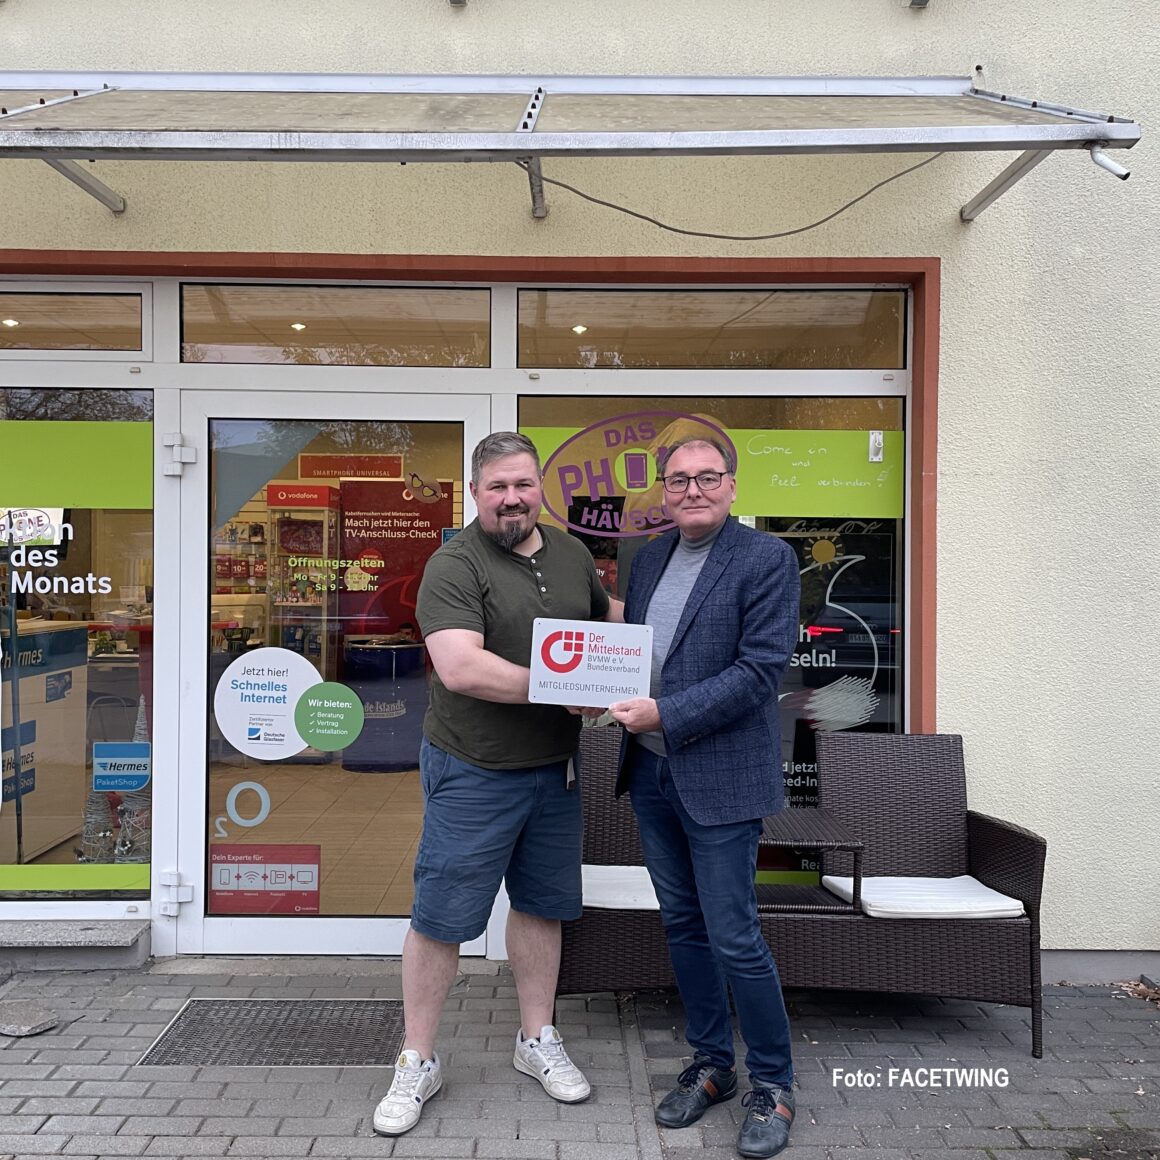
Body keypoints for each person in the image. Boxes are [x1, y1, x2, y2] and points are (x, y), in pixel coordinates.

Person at [373, 431, 621, 1137]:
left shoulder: (572, 553)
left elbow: (607, 623)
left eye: (522, 484)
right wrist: (565, 687)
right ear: (476, 492)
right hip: (473, 768)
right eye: (496, 487)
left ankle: (534, 1038)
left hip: (554, 768)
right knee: (443, 914)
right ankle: (418, 1057)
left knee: (542, 905)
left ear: (539, 486)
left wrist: (624, 664)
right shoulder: (453, 563)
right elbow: (461, 668)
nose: (511, 498)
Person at [609, 435, 801, 1159]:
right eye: (679, 479)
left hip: (719, 777)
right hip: (653, 771)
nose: (692, 489)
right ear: (663, 489)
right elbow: (637, 651)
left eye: (707, 477)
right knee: (684, 925)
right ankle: (713, 1065)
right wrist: (590, 689)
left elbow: (759, 672)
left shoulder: (766, 559)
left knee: (734, 934)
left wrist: (668, 713)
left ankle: (775, 1085)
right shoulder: (649, 556)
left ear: (732, 485)